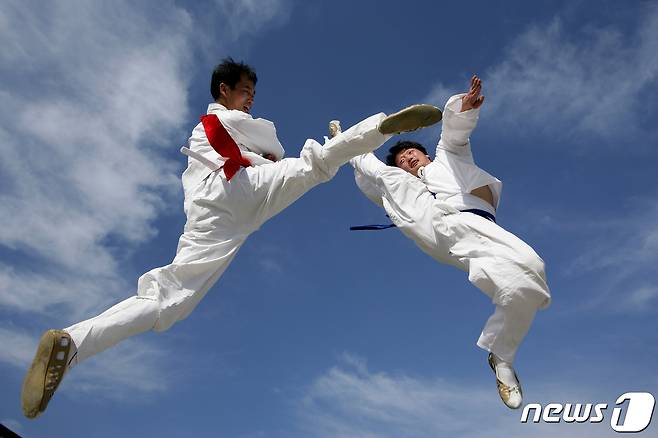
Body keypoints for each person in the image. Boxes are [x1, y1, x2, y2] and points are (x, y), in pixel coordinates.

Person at [21, 57, 442, 419]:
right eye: (245, 91)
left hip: (211, 213)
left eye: (253, 93)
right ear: (224, 90)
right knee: (314, 164)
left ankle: (73, 343)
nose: (251, 99)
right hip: (238, 184)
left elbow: (266, 153)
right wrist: (274, 154)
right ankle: (378, 129)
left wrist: (272, 159)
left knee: (171, 297)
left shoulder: (205, 129)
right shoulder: (224, 118)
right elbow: (272, 146)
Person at [349, 75, 551, 409]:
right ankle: (350, 145)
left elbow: (455, 134)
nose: (408, 159)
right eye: (402, 160)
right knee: (384, 179)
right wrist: (350, 147)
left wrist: (463, 108)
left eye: (411, 153)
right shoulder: (400, 181)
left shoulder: (449, 159)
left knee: (529, 275)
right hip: (429, 223)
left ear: (424, 153)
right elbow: (379, 176)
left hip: (475, 225)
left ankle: (500, 356)